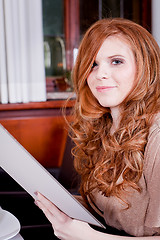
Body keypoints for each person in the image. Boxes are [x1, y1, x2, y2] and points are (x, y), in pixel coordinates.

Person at [35, 18, 160, 239]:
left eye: (116, 61)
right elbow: (109, 212)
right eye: (93, 64)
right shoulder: (103, 126)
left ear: (145, 67)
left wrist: (89, 237)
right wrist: (59, 200)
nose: (100, 73)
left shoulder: (157, 135)